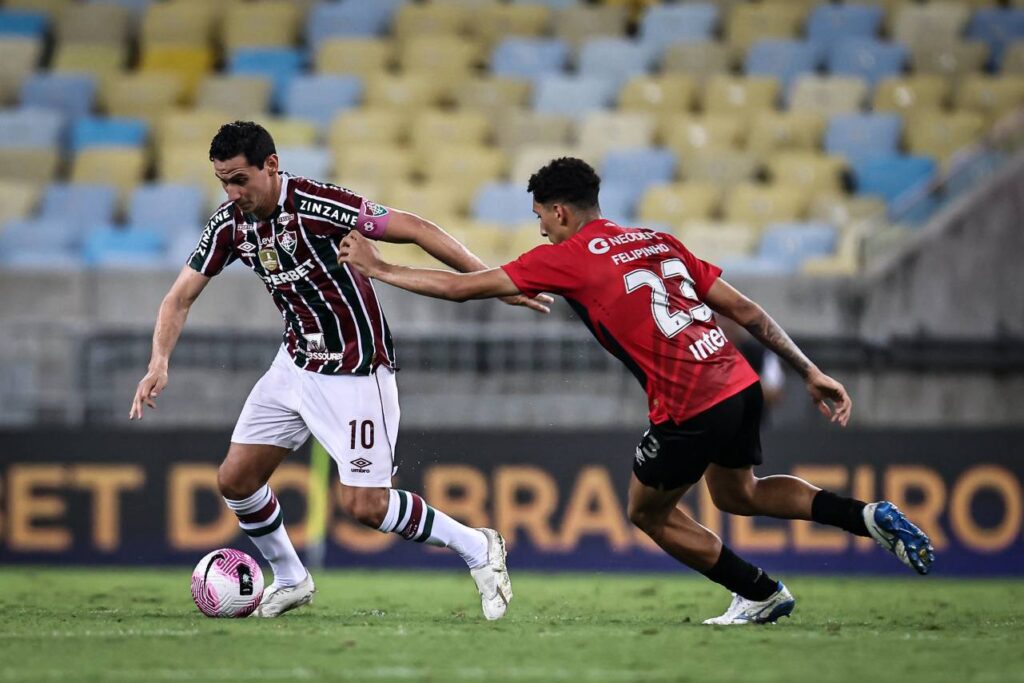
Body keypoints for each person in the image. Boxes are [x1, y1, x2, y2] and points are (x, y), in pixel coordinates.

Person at [337, 157, 935, 625]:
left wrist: (382, 269)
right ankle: (866, 515)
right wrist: (809, 370)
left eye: (542, 216)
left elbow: (465, 288)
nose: (539, 228)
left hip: (689, 404)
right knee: (738, 494)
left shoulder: (568, 257)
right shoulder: (658, 240)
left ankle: (760, 593)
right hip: (738, 381)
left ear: (563, 213)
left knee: (646, 512)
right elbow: (748, 312)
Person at [129, 121, 551, 619]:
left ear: (271, 165)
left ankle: (478, 545)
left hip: (356, 367)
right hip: (294, 363)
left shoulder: (318, 204)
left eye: (239, 179)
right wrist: (159, 360)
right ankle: (290, 577)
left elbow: (416, 229)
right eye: (223, 181)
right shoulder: (230, 225)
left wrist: (493, 281)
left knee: (366, 507)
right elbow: (179, 297)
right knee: (236, 479)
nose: (231, 192)